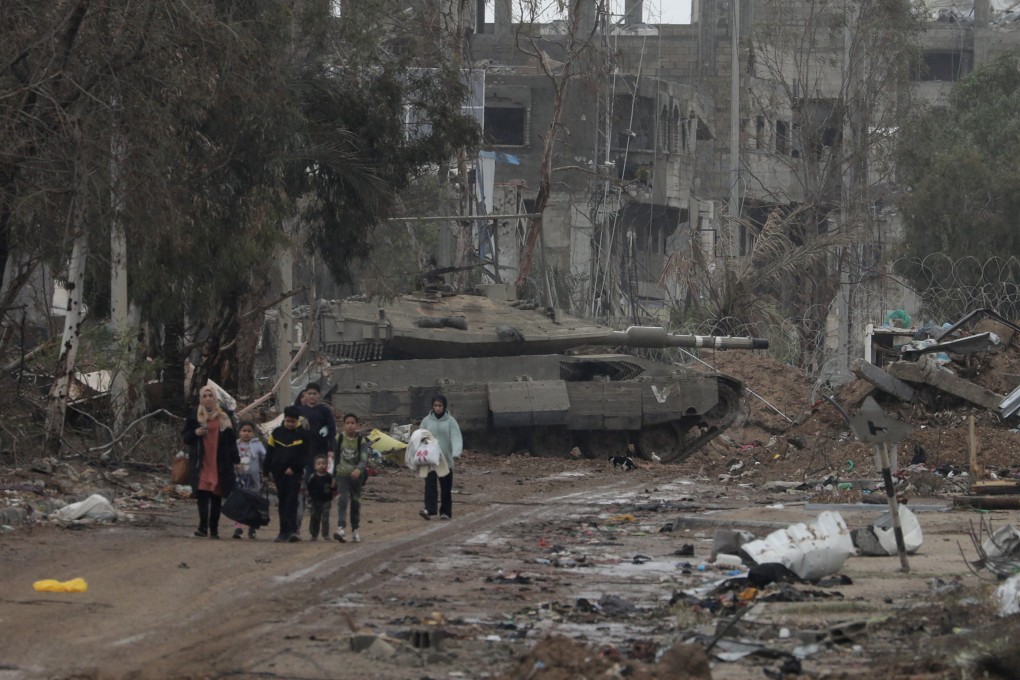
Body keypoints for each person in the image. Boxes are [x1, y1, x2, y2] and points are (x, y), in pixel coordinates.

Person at [181, 386, 240, 539]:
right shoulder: (195, 415)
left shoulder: (224, 416)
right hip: (201, 462)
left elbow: (231, 440)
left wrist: (236, 460)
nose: (208, 398)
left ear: (215, 398)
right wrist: (195, 433)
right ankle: (202, 527)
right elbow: (186, 437)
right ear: (201, 399)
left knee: (216, 497)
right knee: (201, 495)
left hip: (220, 462)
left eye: (211, 395)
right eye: (205, 396)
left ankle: (214, 529)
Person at [265, 406, 308, 543]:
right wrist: (266, 472)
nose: (290, 424)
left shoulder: (302, 435)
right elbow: (269, 454)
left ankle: (292, 530)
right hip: (279, 473)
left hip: (294, 474)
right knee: (283, 501)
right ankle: (282, 531)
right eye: (288, 421)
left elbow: (305, 456)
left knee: (292, 501)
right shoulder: (276, 433)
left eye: (293, 422)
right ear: (284, 420)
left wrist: (294, 468)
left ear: (297, 421)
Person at [418, 394, 462, 521]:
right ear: (432, 406)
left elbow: (455, 437)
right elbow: (420, 436)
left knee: (445, 487)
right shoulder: (426, 421)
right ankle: (429, 509)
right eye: (435, 405)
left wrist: (456, 452)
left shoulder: (450, 421)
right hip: (430, 459)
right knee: (430, 485)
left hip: (445, 460)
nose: (437, 408)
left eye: (440, 406)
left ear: (444, 407)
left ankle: (445, 512)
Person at [333, 413, 371, 543]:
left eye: (352, 423)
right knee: (342, 500)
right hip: (342, 474)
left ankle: (355, 529)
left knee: (355, 502)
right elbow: (336, 458)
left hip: (356, 477)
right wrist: (333, 475)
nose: (350, 426)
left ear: (357, 425)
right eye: (347, 423)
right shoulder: (338, 438)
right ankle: (341, 528)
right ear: (344, 425)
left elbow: (364, 459)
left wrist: (358, 469)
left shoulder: (362, 441)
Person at [232, 421, 266, 540]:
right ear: (239, 432)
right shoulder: (234, 445)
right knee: (239, 504)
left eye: (249, 431)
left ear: (253, 433)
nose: (246, 433)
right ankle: (238, 528)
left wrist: (266, 473)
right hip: (239, 479)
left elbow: (264, 459)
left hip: (254, 480)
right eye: (244, 431)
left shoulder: (257, 445)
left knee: (253, 503)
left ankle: (252, 528)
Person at [306, 455, 335, 541]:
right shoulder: (313, 477)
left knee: (325, 518)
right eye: (319, 464)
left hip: (326, 500)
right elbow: (309, 488)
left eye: (323, 463)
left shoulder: (329, 477)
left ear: (327, 465)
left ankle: (325, 534)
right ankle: (314, 534)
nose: (321, 465)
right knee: (315, 517)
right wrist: (309, 498)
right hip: (315, 500)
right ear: (315, 466)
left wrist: (332, 493)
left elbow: (333, 488)